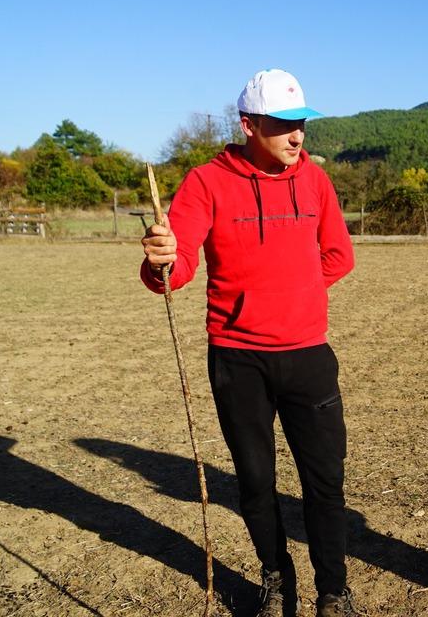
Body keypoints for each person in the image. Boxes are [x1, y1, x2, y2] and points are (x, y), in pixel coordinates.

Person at [140, 68, 357, 617]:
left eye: (301, 123)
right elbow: (179, 264)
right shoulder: (207, 181)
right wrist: (161, 258)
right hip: (237, 359)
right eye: (282, 124)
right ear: (248, 125)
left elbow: (339, 255)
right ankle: (276, 578)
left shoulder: (316, 182)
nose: (297, 136)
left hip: (308, 355)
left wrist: (296, 294)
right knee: (257, 481)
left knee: (324, 482)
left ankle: (334, 590)